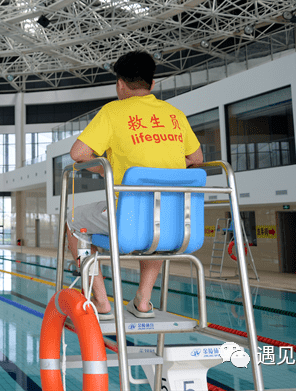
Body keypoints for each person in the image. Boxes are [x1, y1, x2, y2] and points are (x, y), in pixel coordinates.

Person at [66, 50, 203, 320]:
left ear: (119, 84)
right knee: (155, 227)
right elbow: (196, 159)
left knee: (73, 220)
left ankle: (102, 302)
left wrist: (106, 170)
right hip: (176, 223)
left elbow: (78, 154)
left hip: (127, 219)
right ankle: (143, 300)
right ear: (152, 85)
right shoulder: (175, 114)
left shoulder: (113, 111)